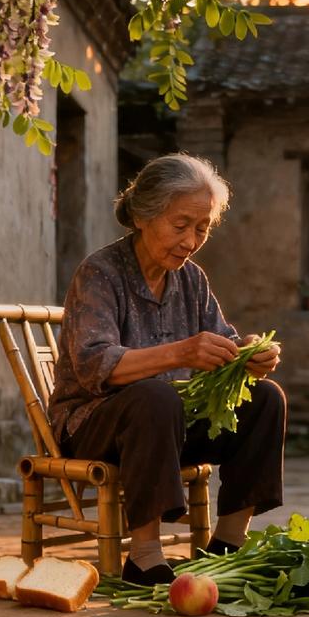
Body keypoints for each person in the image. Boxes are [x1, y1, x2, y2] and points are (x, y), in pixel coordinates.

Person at [47, 153, 285, 587]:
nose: (191, 240)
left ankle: (228, 544)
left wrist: (249, 354)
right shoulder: (99, 272)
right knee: (155, 396)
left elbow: (223, 341)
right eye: (181, 225)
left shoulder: (191, 279)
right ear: (142, 216)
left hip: (164, 428)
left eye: (202, 228)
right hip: (94, 426)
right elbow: (94, 366)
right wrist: (180, 354)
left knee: (266, 398)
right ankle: (145, 556)